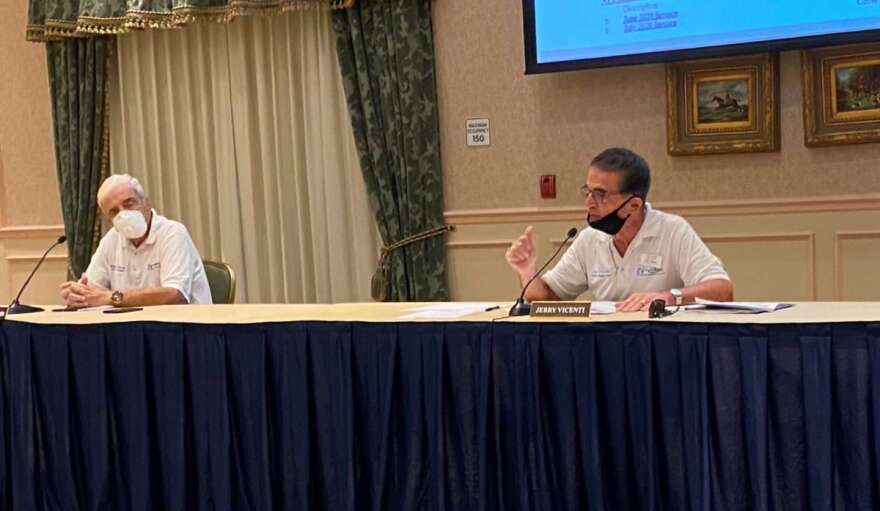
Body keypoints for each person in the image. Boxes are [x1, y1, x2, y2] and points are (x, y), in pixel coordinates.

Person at [505, 147, 733, 312]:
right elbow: (545, 297)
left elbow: (722, 290)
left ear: (633, 205)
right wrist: (527, 272)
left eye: (600, 194)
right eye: (588, 191)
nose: (589, 203)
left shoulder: (673, 230)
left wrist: (670, 297)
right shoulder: (589, 239)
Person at [59, 174, 212, 309]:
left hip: (185, 331)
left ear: (146, 203)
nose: (123, 214)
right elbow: (91, 292)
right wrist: (78, 296)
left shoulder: (173, 233)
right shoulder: (111, 240)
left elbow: (174, 294)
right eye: (114, 212)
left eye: (129, 204)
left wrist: (111, 298)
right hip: (133, 330)